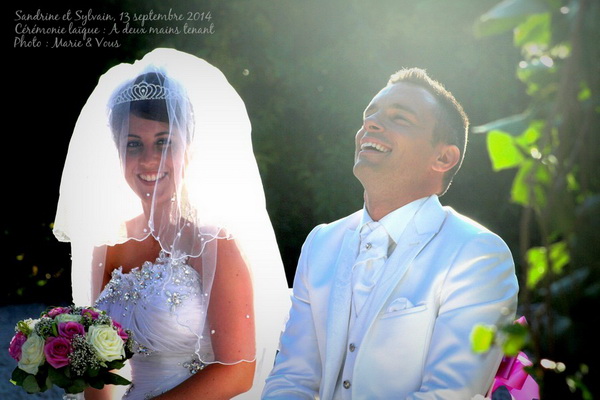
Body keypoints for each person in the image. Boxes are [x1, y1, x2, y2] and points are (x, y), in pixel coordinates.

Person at [262, 68, 519, 399]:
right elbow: (291, 378)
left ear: (443, 157)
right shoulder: (322, 242)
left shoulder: (477, 253)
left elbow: (448, 394)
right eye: (369, 116)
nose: (370, 124)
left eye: (400, 118)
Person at [53, 48, 290, 399]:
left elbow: (237, 371)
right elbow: (100, 364)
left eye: (165, 143)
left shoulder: (214, 242)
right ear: (118, 152)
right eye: (133, 144)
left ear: (189, 150)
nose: (150, 159)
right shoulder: (108, 242)